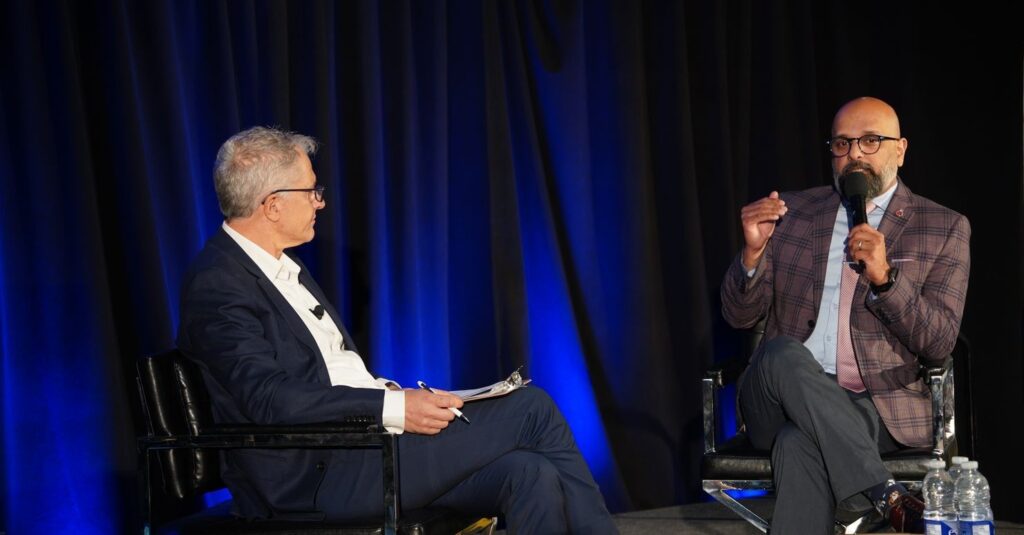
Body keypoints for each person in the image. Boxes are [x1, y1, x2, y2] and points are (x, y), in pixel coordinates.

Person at [177, 126, 617, 534]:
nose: (320, 202)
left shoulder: (282, 266)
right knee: (531, 408)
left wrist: (395, 395)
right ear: (273, 205)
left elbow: (332, 371)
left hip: (363, 448)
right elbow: (269, 398)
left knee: (529, 472)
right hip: (315, 476)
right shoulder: (219, 283)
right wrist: (393, 406)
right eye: (311, 191)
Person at [720, 97, 970, 534]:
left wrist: (886, 279)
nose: (854, 154)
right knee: (781, 353)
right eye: (842, 143)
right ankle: (885, 493)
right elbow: (738, 316)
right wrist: (752, 255)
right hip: (774, 398)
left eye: (870, 140)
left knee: (799, 443)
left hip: (874, 407)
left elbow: (939, 342)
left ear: (900, 150)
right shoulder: (792, 214)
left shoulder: (943, 227)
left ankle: (874, 495)